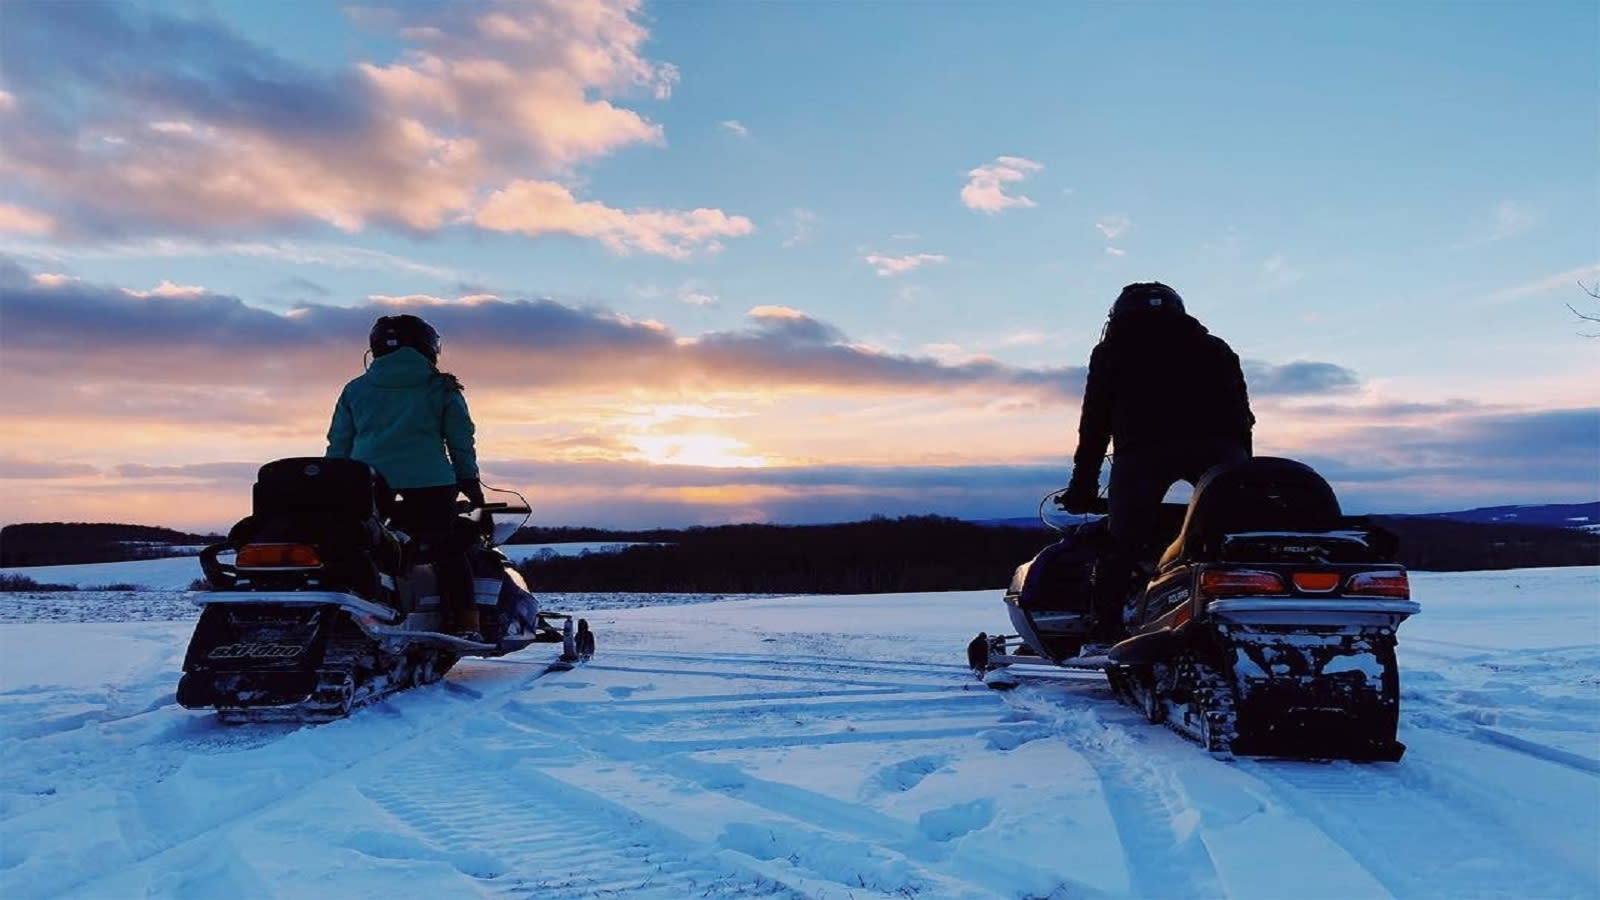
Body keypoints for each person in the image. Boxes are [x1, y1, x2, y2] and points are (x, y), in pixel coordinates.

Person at [1060, 282, 1254, 643]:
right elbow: (1243, 417)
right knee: (1233, 538)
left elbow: (1095, 423)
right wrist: (1243, 475)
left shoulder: (1112, 351)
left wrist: (1083, 485)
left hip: (1144, 453)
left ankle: (1105, 630)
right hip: (1222, 451)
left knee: (1123, 543)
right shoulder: (1216, 348)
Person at [326, 314, 487, 640]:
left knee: (368, 547)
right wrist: (469, 481)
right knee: (447, 550)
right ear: (428, 347)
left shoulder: (355, 389)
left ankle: (361, 609)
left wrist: (335, 483)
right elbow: (460, 438)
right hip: (430, 485)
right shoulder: (440, 386)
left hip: (366, 484)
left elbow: (339, 441)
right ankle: (466, 622)